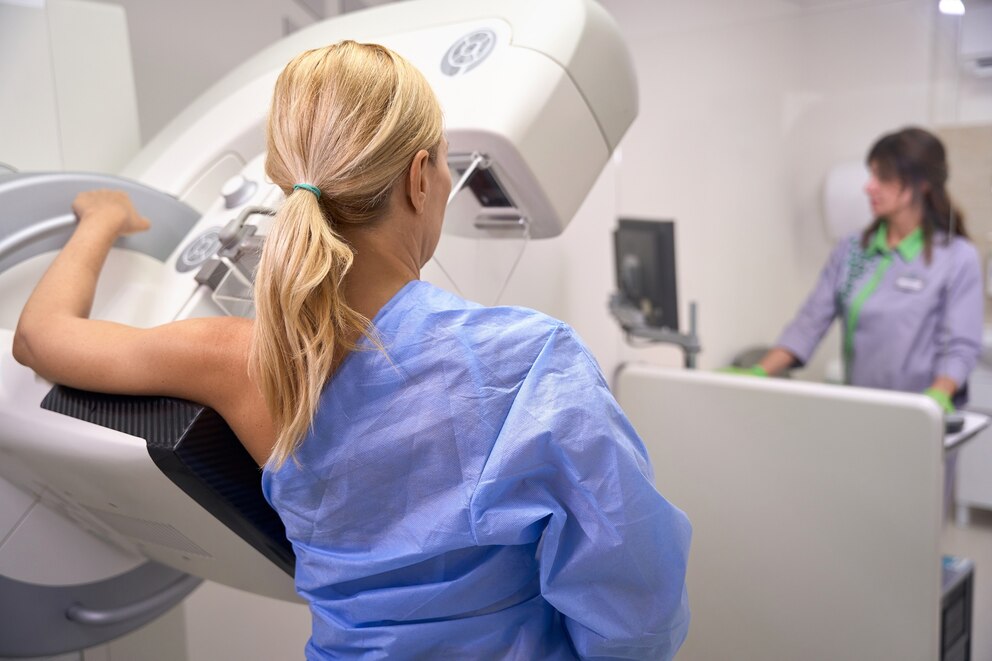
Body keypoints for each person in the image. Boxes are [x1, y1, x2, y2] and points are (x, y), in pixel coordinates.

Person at [13, 41, 690, 660]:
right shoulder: (528, 364)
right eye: (444, 164)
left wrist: (100, 219)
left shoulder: (237, 360)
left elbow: (39, 338)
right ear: (420, 177)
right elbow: (635, 609)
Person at [740, 127, 982, 413]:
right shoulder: (852, 250)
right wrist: (756, 374)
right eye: (871, 175)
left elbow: (959, 347)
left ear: (922, 184)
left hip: (923, 414)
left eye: (883, 177)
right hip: (863, 410)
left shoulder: (956, 257)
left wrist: (933, 402)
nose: (869, 187)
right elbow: (809, 323)